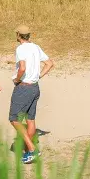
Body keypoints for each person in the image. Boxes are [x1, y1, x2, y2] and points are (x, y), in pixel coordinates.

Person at [10, 25, 54, 164]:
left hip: (24, 88)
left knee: (14, 119)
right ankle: (27, 150)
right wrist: (38, 76)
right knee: (30, 119)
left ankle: (32, 149)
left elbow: (22, 68)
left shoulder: (20, 49)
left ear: (18, 35)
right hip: (35, 87)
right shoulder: (36, 47)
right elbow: (50, 63)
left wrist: (17, 79)